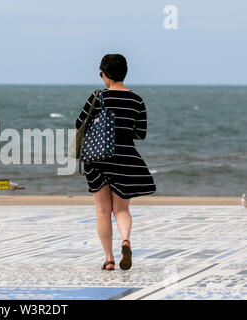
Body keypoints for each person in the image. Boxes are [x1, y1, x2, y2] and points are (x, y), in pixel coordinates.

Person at [75, 54, 156, 271]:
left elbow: (79, 123)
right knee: (122, 210)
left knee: (103, 211)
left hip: (98, 159)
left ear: (105, 74)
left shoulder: (97, 97)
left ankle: (109, 259)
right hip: (126, 159)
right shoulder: (137, 100)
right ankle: (126, 241)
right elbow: (140, 133)